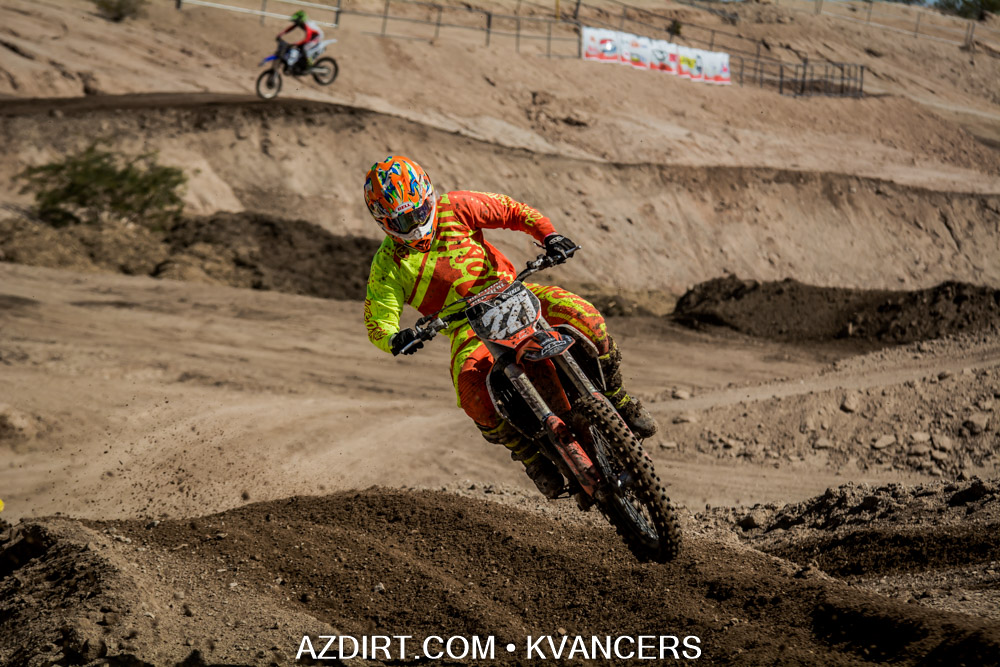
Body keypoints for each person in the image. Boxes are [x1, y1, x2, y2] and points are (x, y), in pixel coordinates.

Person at [362, 156, 657, 499]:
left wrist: (550, 236)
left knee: (587, 318)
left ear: (429, 196)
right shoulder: (387, 265)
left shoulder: (455, 207)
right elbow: (378, 319)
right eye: (402, 221)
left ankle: (619, 398)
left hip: (515, 293)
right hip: (467, 328)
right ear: (383, 222)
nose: (415, 226)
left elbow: (512, 210)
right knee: (472, 394)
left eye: (419, 212)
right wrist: (395, 338)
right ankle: (530, 457)